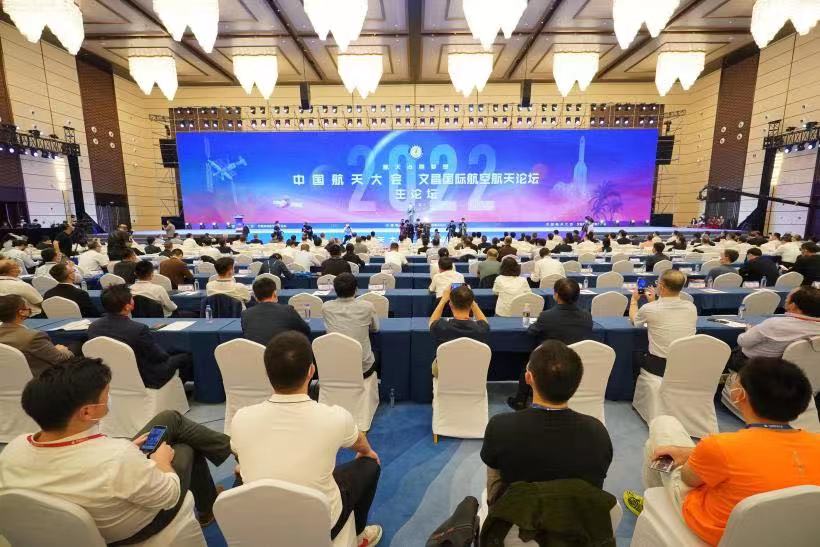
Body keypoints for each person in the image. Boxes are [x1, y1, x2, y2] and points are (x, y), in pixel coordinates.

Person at [0, 358, 232, 543]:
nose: (109, 398)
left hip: (63, 524)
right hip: (136, 529)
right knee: (184, 446)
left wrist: (129, 449)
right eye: (106, 394)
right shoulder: (116, 457)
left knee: (170, 419)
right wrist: (162, 462)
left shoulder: (14, 448)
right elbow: (169, 496)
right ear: (87, 412)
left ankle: (231, 450)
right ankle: (210, 502)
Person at [623, 357, 820, 545]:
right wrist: (694, 454)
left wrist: (693, 455)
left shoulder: (721, 445)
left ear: (740, 394)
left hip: (718, 534)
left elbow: (688, 479)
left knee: (662, 428)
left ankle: (652, 502)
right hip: (791, 536)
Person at [230, 331, 382, 546]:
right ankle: (358, 536)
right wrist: (367, 453)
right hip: (322, 525)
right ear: (311, 371)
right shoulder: (334, 417)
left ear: (267, 373)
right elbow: (361, 444)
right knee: (369, 465)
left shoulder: (240, 418)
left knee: (239, 477)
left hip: (260, 524)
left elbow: (238, 452)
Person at [482, 341, 613, 505]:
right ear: (578, 382)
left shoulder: (500, 426)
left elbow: (493, 478)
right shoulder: (598, 433)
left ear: (528, 378)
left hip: (517, 513)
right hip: (577, 515)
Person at [507, 278, 593, 410]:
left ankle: (520, 401)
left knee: (529, 360)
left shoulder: (547, 316)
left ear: (556, 295)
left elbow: (531, 332)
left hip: (550, 361)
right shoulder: (587, 316)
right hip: (575, 361)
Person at [87, 285, 192, 388]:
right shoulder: (138, 329)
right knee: (186, 357)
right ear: (128, 306)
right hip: (145, 378)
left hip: (107, 377)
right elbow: (160, 357)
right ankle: (178, 391)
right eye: (132, 299)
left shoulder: (93, 328)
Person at [729, 286, 820, 371]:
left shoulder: (774, 324)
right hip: (800, 369)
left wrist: (749, 331)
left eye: (788, 297)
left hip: (757, 368)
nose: (785, 299)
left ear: (793, 305)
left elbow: (743, 342)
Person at [630, 269, 697, 376]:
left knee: (632, 355)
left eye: (657, 282)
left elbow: (635, 321)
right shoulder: (691, 307)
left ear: (661, 286)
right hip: (684, 363)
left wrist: (634, 300)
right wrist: (653, 302)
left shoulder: (649, 308)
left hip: (660, 366)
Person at [0, 294, 74, 375]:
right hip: (42, 378)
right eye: (27, 306)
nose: (29, 308)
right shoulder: (34, 336)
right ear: (21, 312)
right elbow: (61, 359)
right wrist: (63, 350)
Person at [322, 273, 380, 377]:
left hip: (335, 367)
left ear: (334, 290)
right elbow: (375, 329)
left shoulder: (326, 307)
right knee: (378, 351)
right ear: (356, 289)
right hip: (363, 369)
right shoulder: (367, 306)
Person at [428, 285, 489, 377]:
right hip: (472, 373)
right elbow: (484, 322)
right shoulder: (482, 329)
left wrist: (443, 300)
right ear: (471, 304)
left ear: (450, 304)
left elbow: (432, 321)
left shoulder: (441, 327)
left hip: (445, 374)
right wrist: (471, 301)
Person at [241, 277, 310, 345]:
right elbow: (306, 331)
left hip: (255, 352)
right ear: (274, 293)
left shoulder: (245, 314)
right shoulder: (288, 310)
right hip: (281, 351)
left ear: (255, 297)